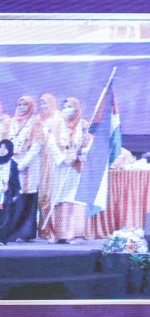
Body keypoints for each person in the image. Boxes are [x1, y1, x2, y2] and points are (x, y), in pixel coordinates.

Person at [46, 98, 91, 242]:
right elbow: (51, 143)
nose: (66, 110)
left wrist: (79, 154)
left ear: (77, 109)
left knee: (74, 198)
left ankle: (73, 234)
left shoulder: (84, 126)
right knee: (59, 197)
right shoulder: (57, 125)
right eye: (65, 107)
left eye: (70, 107)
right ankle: (59, 234)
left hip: (76, 168)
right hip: (61, 166)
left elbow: (89, 144)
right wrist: (62, 158)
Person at [4, 96, 43, 242]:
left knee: (26, 198)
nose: (21, 107)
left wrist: (23, 164)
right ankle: (10, 231)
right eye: (19, 104)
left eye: (24, 105)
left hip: (29, 166)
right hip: (11, 163)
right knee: (11, 198)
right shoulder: (11, 122)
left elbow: (37, 146)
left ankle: (25, 233)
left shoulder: (35, 123)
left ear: (31, 107)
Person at [36, 93, 63, 242]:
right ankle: (44, 228)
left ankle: (56, 229)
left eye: (45, 103)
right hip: (40, 160)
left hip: (54, 161)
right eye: (41, 104)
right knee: (42, 196)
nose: (43, 106)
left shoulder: (59, 118)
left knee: (52, 194)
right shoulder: (38, 119)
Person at [0, 139, 21, 244]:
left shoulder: (12, 164)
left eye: (5, 148)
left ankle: (2, 238)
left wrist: (15, 193)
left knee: (5, 217)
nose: (2, 150)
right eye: (1, 147)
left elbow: (15, 180)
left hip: (6, 193)